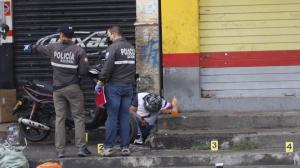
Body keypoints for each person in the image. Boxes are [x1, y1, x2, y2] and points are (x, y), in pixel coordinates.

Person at [23, 23, 91, 158]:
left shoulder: (52, 47)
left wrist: (29, 47)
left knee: (60, 118)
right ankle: (81, 149)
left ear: (61, 35)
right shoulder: (79, 51)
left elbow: (38, 48)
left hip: (58, 90)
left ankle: (60, 151)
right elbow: (83, 72)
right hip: (73, 88)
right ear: (72, 37)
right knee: (78, 117)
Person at [95, 25, 136, 156]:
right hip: (128, 87)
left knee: (112, 117)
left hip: (115, 87)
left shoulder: (113, 47)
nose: (108, 37)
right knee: (124, 117)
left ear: (113, 34)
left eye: (108, 34)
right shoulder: (131, 47)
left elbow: (107, 67)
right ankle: (125, 147)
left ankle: (108, 148)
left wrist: (100, 82)